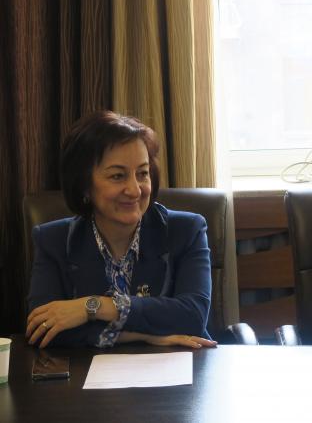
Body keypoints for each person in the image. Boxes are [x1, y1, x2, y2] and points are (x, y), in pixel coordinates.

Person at [26, 111, 217, 349]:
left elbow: (193, 317)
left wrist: (92, 306)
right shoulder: (53, 240)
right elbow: (43, 328)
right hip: (85, 372)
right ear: (84, 185)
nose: (135, 190)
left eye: (142, 174)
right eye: (118, 176)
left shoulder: (186, 230)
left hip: (180, 367)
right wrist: (144, 336)